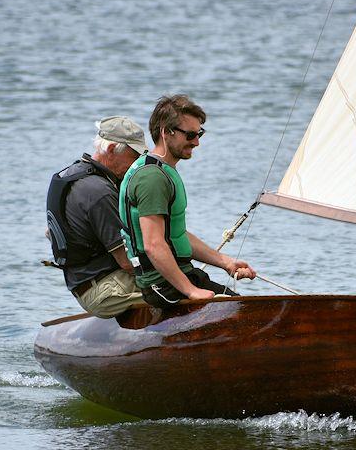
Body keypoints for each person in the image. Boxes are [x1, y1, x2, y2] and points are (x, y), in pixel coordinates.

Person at [119, 94, 256, 307]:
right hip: (162, 286)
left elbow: (175, 234)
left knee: (242, 307)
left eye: (199, 133)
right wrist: (191, 291)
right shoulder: (152, 178)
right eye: (190, 135)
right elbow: (153, 245)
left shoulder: (162, 171)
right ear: (166, 132)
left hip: (180, 277)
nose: (197, 142)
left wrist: (225, 262)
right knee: (241, 312)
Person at [46, 116, 149, 317]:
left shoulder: (74, 173)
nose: (137, 163)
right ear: (111, 150)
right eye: (134, 156)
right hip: (106, 291)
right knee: (174, 290)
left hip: (84, 285)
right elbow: (127, 263)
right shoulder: (99, 191)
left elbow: (49, 233)